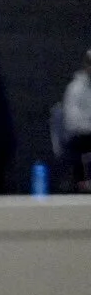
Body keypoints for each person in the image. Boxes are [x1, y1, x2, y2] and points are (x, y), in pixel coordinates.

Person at [64, 50, 91, 192]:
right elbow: (72, 120)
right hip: (81, 135)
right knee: (77, 145)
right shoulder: (75, 88)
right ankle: (80, 183)